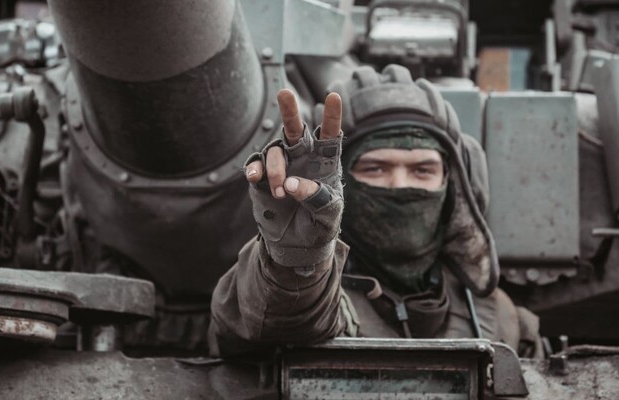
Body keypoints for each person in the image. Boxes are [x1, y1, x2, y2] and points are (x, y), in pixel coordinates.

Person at [208, 65, 542, 358]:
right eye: (375, 169)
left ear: (453, 185)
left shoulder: (502, 321)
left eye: (423, 170)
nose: (399, 185)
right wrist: (297, 263)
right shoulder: (314, 297)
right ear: (339, 184)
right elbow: (279, 318)